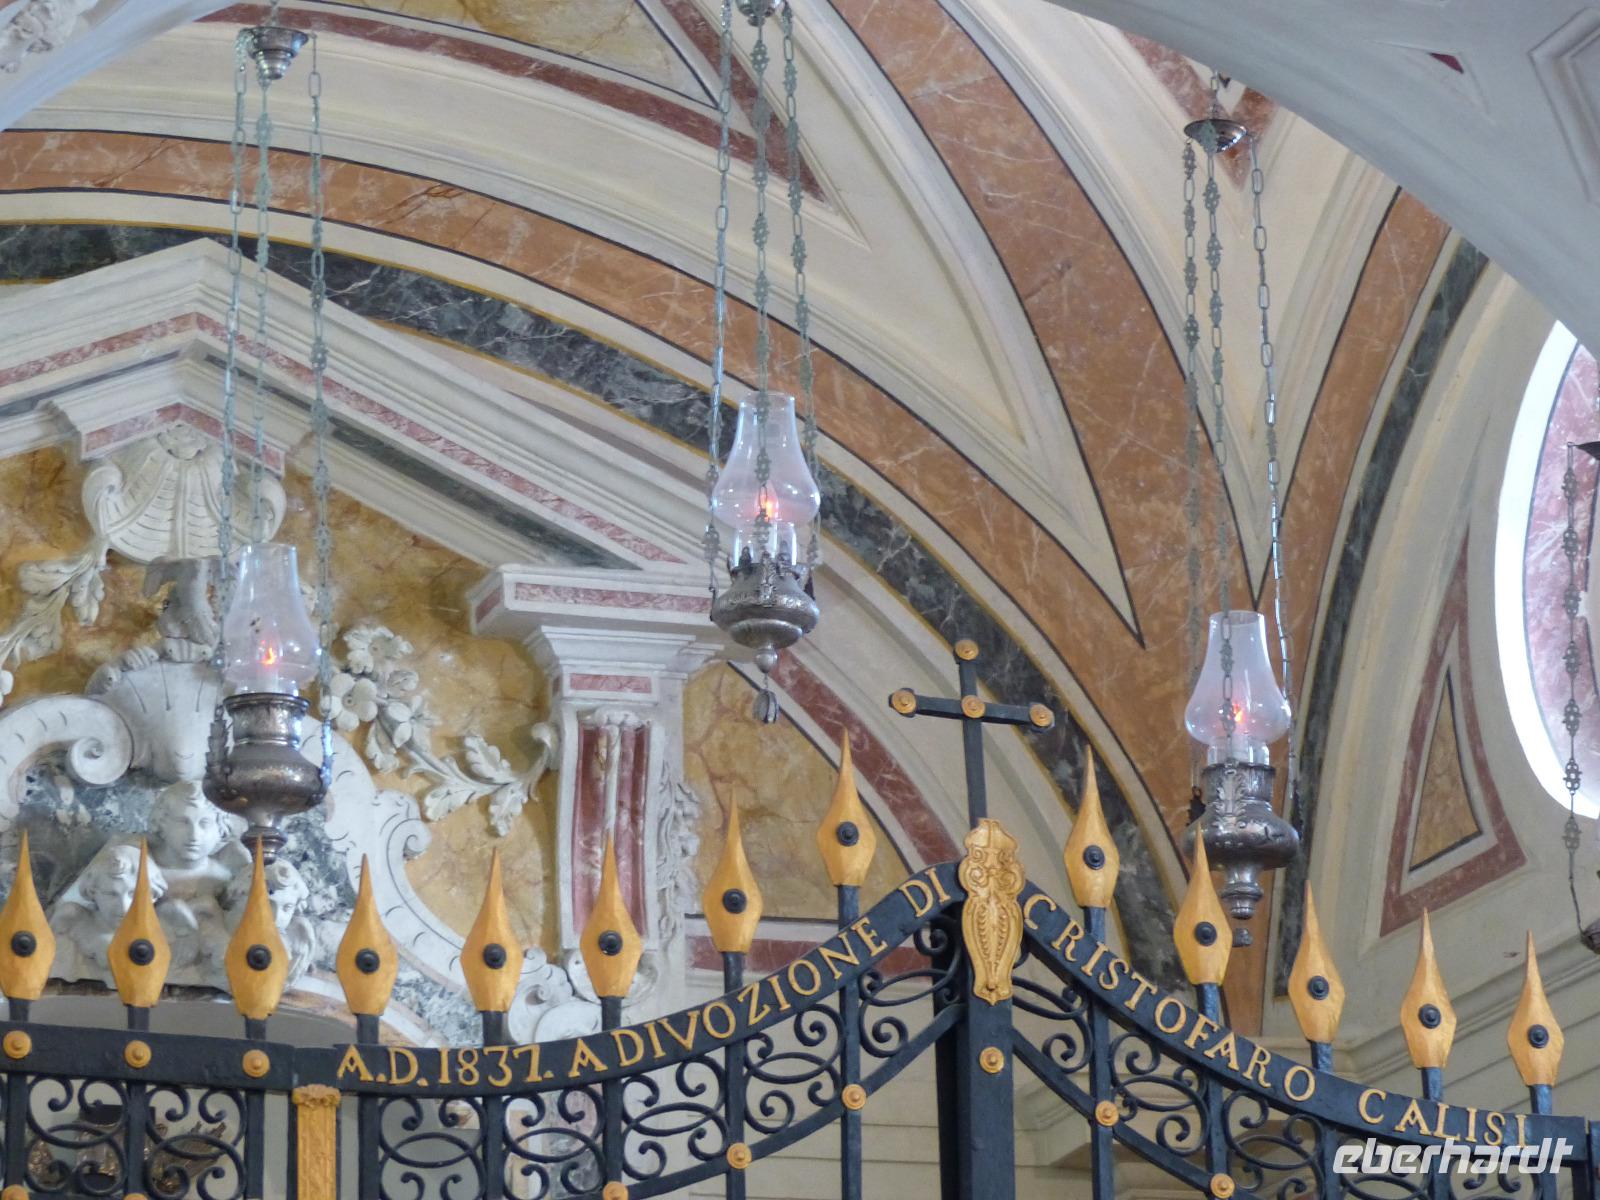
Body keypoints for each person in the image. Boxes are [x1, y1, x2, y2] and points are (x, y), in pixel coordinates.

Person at [49, 843, 169, 983]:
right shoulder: (73, 921)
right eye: (111, 894)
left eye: (134, 894)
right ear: (92, 892)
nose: (123, 906)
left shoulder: (165, 926)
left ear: (152, 895)